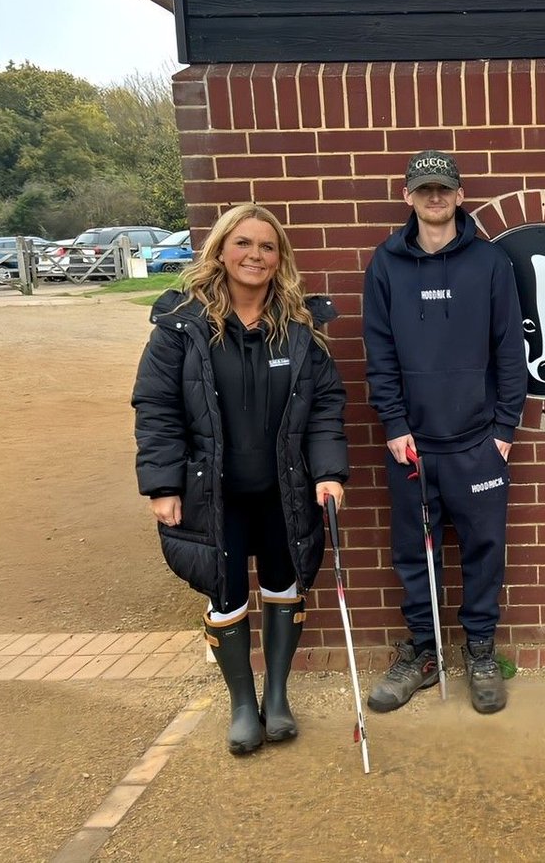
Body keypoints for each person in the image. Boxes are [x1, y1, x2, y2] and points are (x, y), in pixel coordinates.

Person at [132, 203, 349, 756]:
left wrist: (328, 472)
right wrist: (163, 484)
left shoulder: (299, 329)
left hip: (284, 490)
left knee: (285, 583)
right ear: (221, 250)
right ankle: (242, 704)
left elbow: (325, 407)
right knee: (226, 594)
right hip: (212, 493)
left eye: (268, 246)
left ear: (281, 259)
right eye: (244, 243)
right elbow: (156, 408)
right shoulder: (182, 327)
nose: (256, 255)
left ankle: (277, 697)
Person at [363, 150, 527, 715]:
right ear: (408, 196)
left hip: (480, 443)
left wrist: (504, 428)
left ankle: (480, 650)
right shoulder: (385, 264)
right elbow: (378, 353)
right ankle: (425, 652)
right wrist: (394, 423)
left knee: (485, 550)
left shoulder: (489, 262)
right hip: (411, 444)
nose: (435, 198)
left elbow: (510, 350)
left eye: (444, 189)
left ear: (460, 196)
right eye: (424, 189)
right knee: (414, 552)